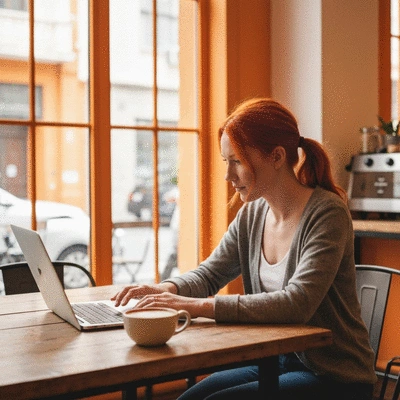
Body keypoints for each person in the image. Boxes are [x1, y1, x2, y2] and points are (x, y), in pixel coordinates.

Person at [112, 98, 377, 400]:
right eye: (227, 162)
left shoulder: (327, 213)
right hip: (276, 361)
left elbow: (297, 303)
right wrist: (161, 291)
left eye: (237, 161)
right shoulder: (252, 214)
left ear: (277, 156)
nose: (228, 176)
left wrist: (193, 306)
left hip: (334, 376)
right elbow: (210, 274)